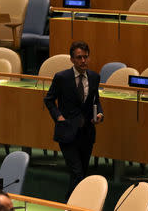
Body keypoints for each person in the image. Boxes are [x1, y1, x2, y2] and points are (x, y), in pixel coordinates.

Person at [44, 40, 104, 200]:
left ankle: (71, 203)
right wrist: (58, 117)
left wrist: (99, 114)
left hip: (87, 133)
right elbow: (49, 100)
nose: (83, 61)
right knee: (77, 172)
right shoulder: (62, 77)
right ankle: (71, 205)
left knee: (81, 173)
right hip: (67, 132)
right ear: (72, 59)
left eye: (85, 57)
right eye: (79, 57)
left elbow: (96, 100)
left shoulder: (94, 77)